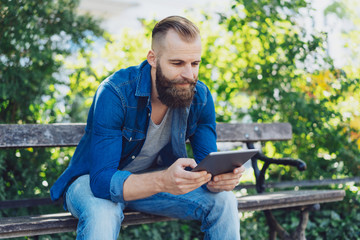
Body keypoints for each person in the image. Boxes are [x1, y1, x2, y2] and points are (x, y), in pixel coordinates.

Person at [50, 15, 245, 240]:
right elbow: (102, 183)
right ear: (153, 58)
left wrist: (219, 180)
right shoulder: (115, 92)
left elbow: (206, 168)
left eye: (195, 63)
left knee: (225, 201)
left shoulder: (199, 97)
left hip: (150, 185)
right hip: (91, 181)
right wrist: (163, 180)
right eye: (177, 63)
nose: (189, 75)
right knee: (104, 211)